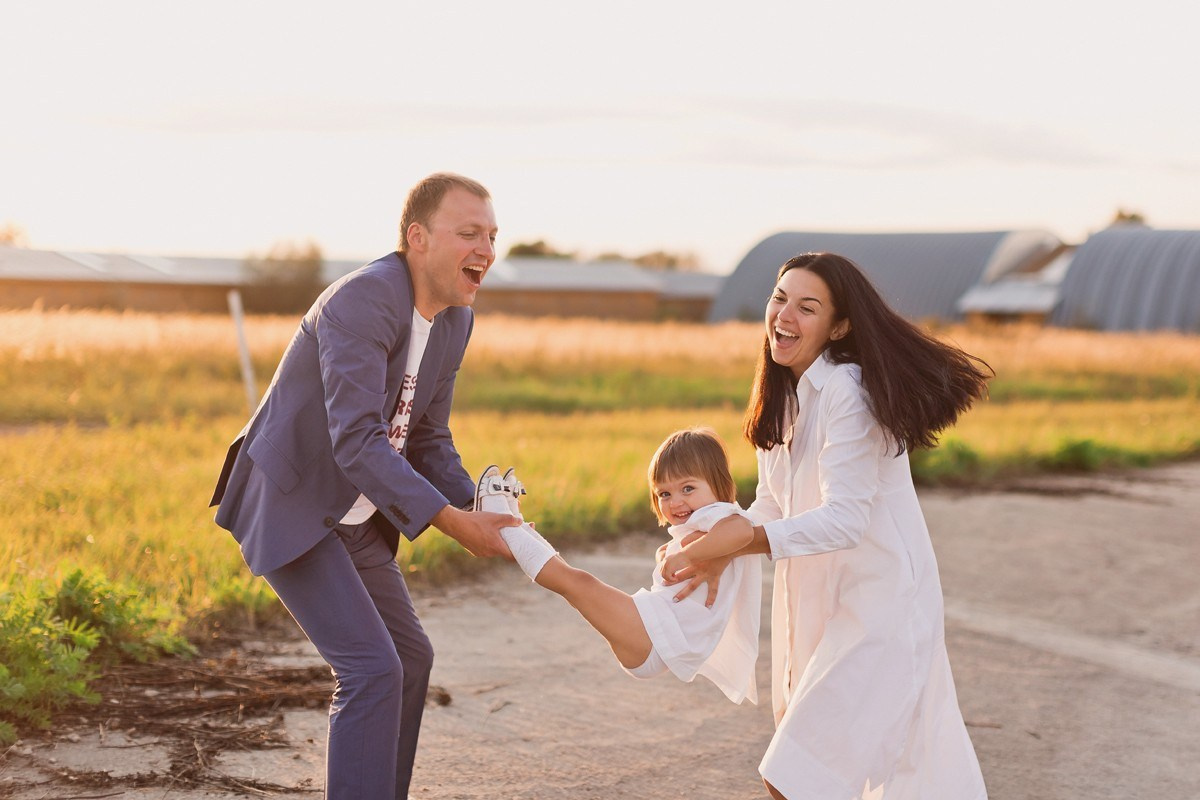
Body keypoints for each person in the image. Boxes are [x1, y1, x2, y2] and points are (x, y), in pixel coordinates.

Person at [209, 172, 520, 800]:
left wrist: (481, 505)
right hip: (294, 503)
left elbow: (428, 435)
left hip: (356, 515)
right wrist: (453, 524)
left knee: (410, 660)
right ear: (417, 238)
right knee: (371, 670)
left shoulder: (455, 320)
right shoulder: (363, 300)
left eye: (492, 235)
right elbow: (356, 440)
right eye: (469, 233)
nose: (486, 249)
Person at [666, 252, 991, 799]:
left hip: (881, 606)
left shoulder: (847, 389)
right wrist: (713, 543)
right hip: (821, 600)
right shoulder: (783, 398)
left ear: (838, 327)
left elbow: (845, 518)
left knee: (795, 774)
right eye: (779, 299)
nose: (784, 315)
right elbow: (771, 504)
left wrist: (745, 540)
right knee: (867, 772)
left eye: (807, 307)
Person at [484, 428, 762, 704]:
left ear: (719, 484)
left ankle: (504, 524)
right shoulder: (707, 522)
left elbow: (742, 531)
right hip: (654, 633)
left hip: (656, 635)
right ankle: (513, 524)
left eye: (687, 488)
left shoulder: (723, 514)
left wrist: (685, 556)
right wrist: (671, 555)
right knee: (575, 583)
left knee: (577, 584)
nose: (675, 502)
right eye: (664, 493)